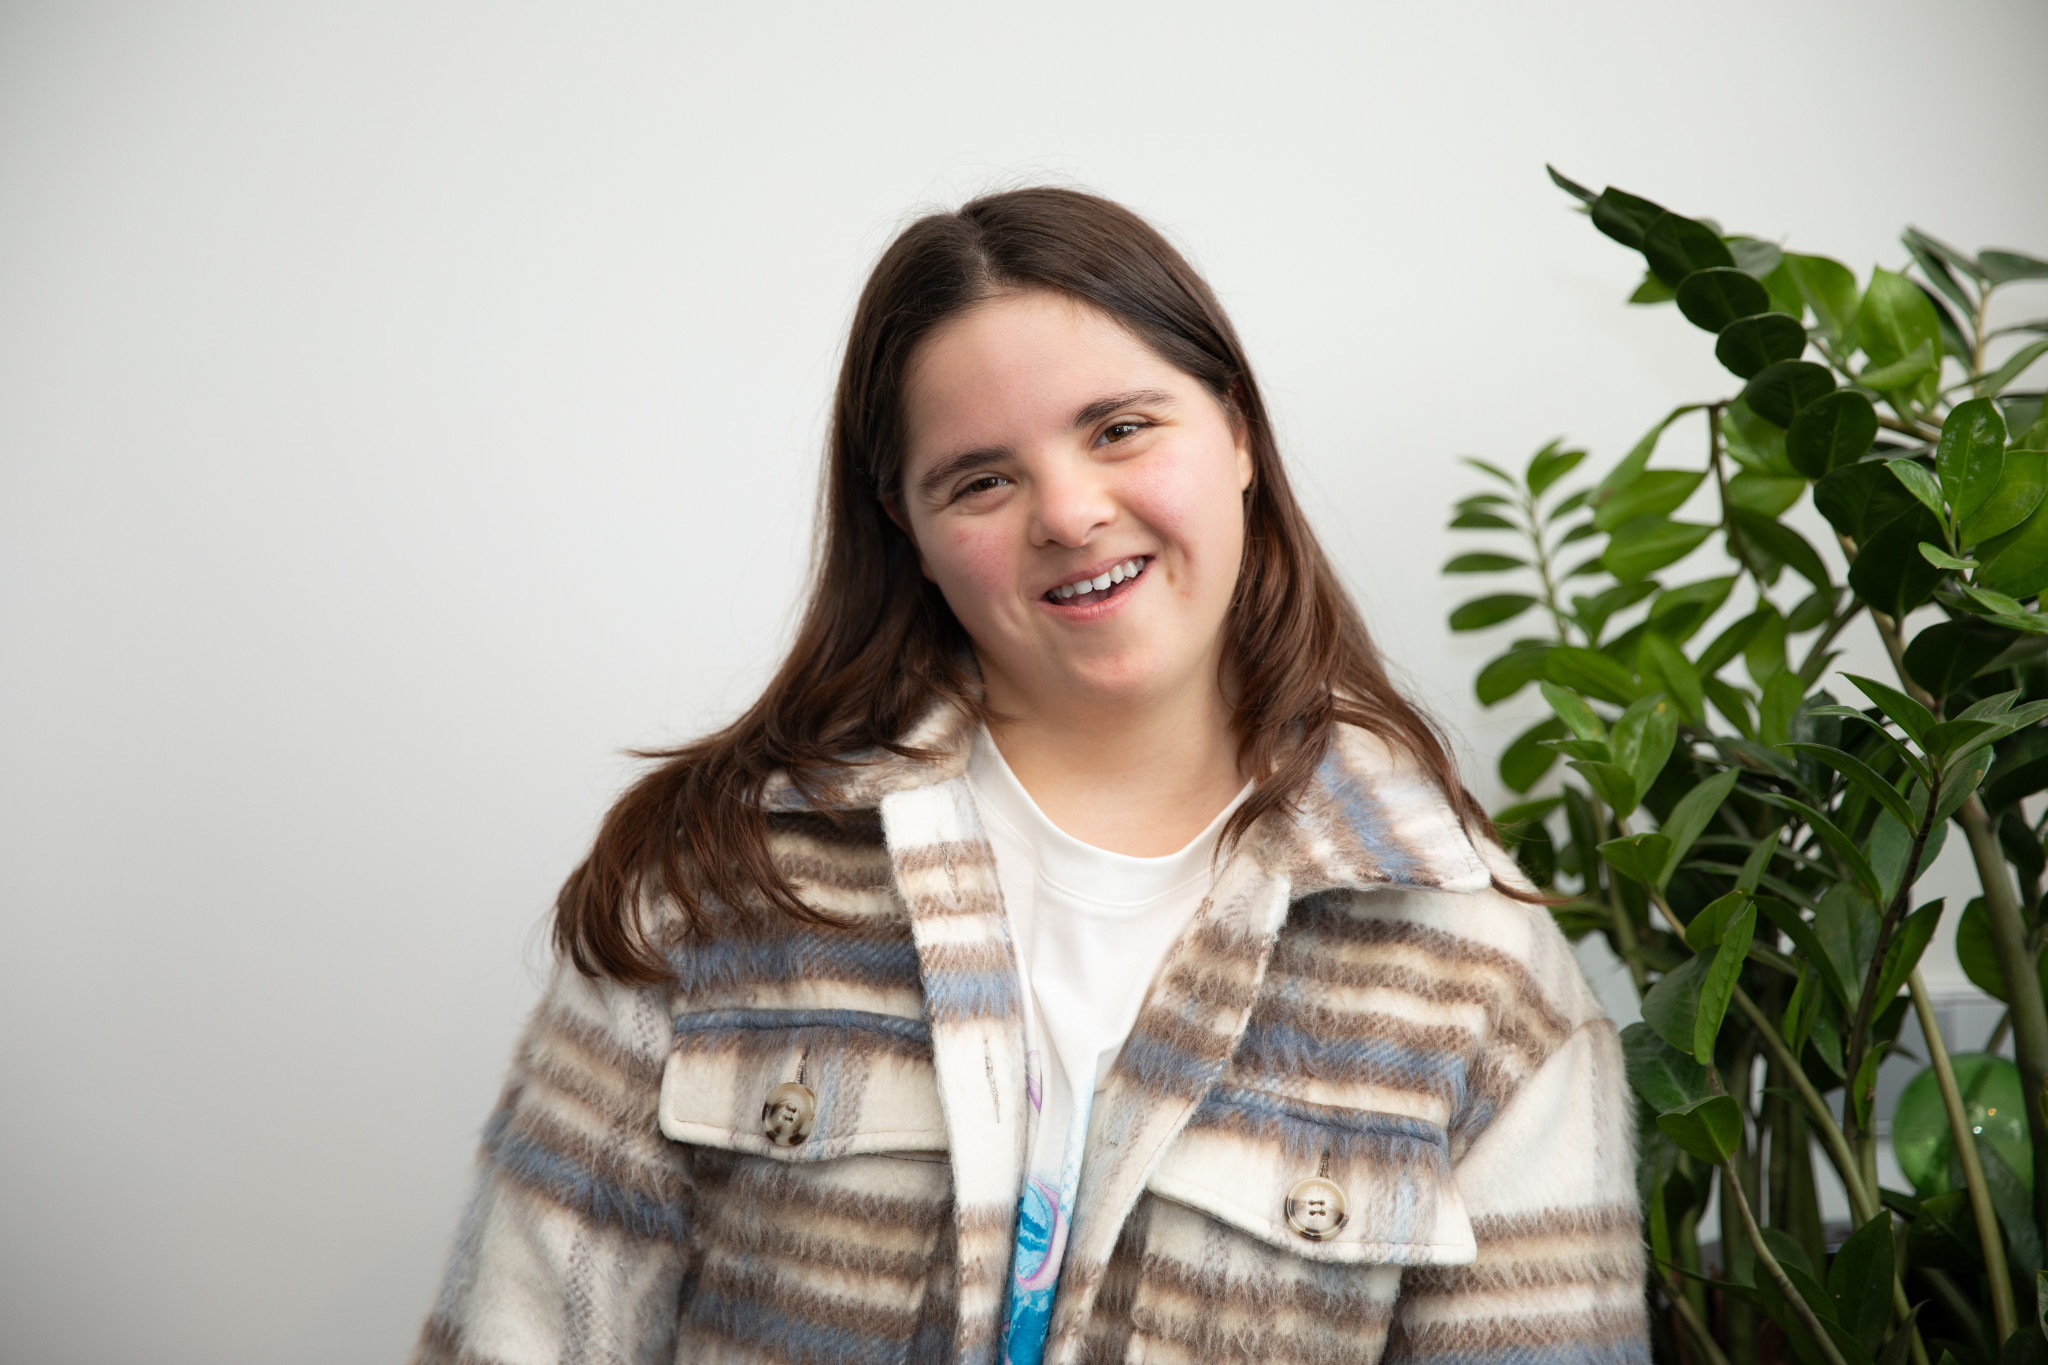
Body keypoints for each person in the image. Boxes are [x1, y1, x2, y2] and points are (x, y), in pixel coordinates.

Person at [412, 187, 1649, 1365]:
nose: (1066, 512)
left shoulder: (1475, 962)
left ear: (1236, 434)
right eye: (982, 481)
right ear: (905, 527)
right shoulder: (719, 882)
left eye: (1119, 429)